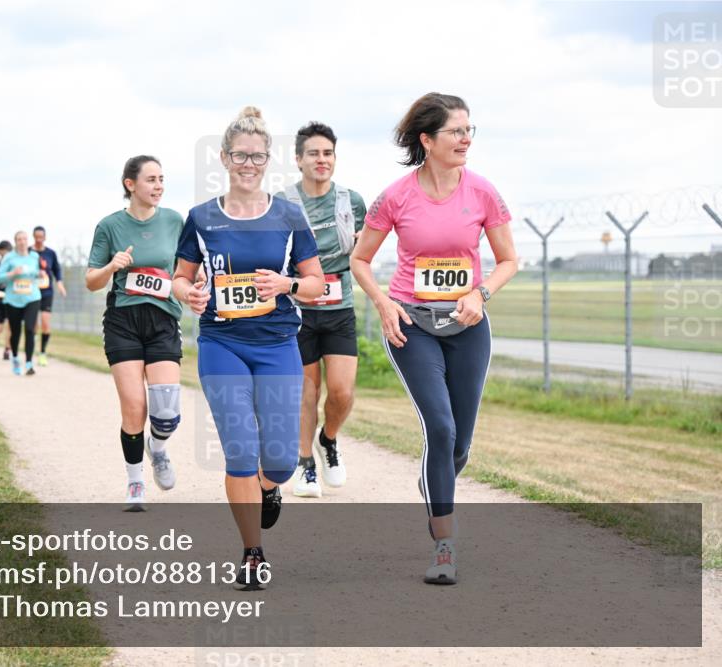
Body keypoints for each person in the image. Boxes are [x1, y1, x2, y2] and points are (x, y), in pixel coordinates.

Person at [351, 92, 518, 585]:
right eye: (456, 131)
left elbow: (509, 260)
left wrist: (480, 294)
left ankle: (435, 479)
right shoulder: (396, 196)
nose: (466, 139)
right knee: (440, 430)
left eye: (470, 130)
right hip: (412, 325)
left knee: (459, 446)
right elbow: (360, 259)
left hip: (468, 328)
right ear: (427, 140)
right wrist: (384, 303)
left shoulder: (483, 192)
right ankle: (444, 546)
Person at [174, 108, 323, 590]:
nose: (248, 164)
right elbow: (179, 277)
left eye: (257, 157)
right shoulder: (201, 218)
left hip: (277, 343)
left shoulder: (288, 216)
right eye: (240, 155)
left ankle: (267, 485)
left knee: (279, 461)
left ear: (268, 160)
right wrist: (189, 293)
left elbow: (316, 283)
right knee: (239, 449)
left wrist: (286, 284)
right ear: (223, 157)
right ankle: (252, 552)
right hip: (222, 343)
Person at [86, 155, 184, 511]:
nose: (158, 186)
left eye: (161, 179)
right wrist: (112, 265)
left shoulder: (174, 221)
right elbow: (91, 280)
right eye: (151, 180)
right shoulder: (109, 226)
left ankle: (157, 447)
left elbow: (186, 270)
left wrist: (195, 284)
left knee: (166, 412)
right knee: (134, 408)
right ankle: (135, 481)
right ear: (131, 184)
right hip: (123, 321)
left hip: (163, 320)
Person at [277, 122, 367, 498]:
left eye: (327, 153)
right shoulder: (281, 203)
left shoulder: (352, 201)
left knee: (342, 392)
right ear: (298, 160)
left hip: (339, 307)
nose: (321, 159)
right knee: (307, 393)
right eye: (313, 153)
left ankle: (327, 440)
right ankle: (305, 465)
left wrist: (363, 245)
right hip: (299, 309)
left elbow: (365, 250)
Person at [0, 231, 42, 376]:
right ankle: (15, 358)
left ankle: (29, 363)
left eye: (24, 239)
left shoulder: (34, 256)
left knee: (29, 329)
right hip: (13, 300)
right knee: (15, 332)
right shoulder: (9, 258)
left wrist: (40, 274)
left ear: (28, 241)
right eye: (19, 239)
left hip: (32, 297)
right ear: (15, 242)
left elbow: (37, 273)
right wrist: (12, 273)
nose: (22, 242)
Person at [31, 226, 67, 366]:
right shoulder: (29, 252)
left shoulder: (50, 253)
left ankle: (42, 353)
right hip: (31, 292)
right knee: (33, 324)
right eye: (36, 237)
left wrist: (60, 284)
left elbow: (57, 270)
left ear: (45, 237)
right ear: (33, 237)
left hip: (46, 292)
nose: (39, 239)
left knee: (45, 323)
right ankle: (31, 345)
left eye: (41, 237)